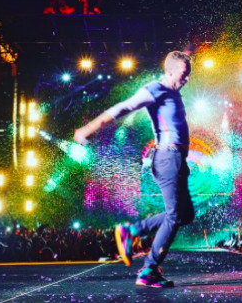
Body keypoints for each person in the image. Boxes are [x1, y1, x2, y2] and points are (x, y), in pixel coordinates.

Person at [73, 51, 195, 288]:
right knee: (174, 216)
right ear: (170, 71)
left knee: (185, 215)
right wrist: (89, 128)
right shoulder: (156, 89)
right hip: (167, 158)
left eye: (188, 74)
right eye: (183, 74)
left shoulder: (174, 93)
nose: (187, 79)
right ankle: (149, 269)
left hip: (177, 159)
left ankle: (133, 231)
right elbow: (124, 107)